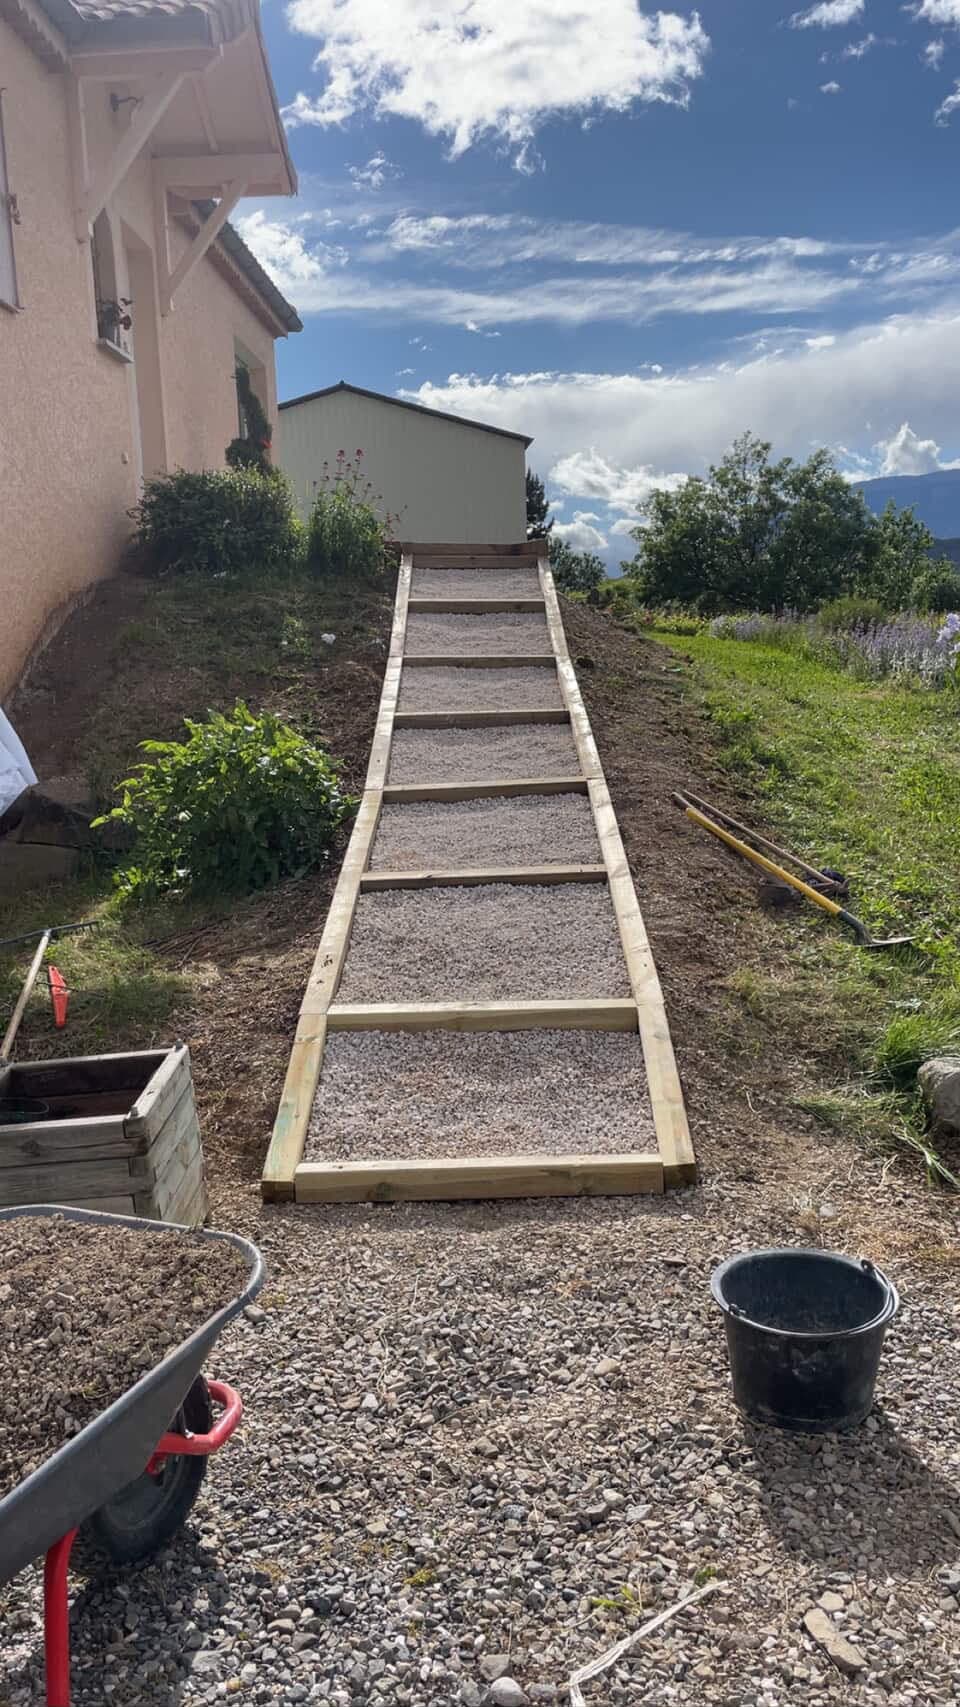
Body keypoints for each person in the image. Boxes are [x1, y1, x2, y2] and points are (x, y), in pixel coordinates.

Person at [0, 707, 37, 833]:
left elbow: (8, 737)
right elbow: (9, 738)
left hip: (9, 794)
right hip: (14, 790)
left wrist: (33, 786)